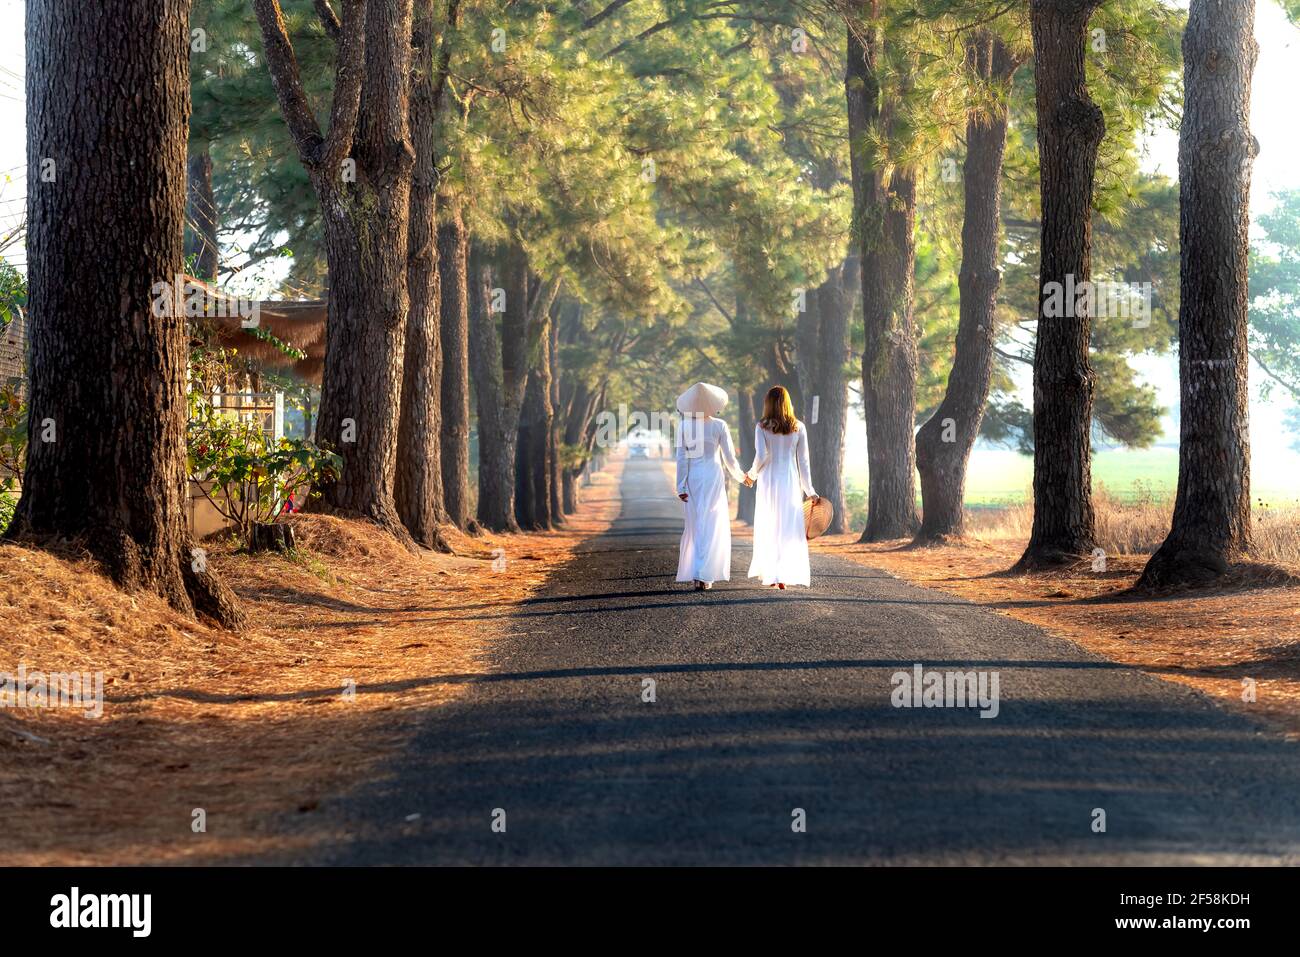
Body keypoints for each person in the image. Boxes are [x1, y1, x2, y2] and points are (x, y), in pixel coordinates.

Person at [744, 385, 819, 589]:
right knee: (787, 526)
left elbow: (761, 456)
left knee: (770, 524)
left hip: (768, 480)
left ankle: (773, 573)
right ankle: (783, 573)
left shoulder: (762, 427)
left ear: (768, 403)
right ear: (788, 403)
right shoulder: (798, 427)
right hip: (789, 480)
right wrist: (810, 491)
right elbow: (803, 462)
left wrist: (751, 475)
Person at [675, 382, 746, 591]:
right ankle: (705, 575)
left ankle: (697, 574)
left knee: (696, 524)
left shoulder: (684, 426)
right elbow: (729, 459)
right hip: (714, 477)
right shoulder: (719, 425)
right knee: (711, 524)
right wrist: (742, 478)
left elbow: (681, 458)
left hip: (694, 478)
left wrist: (680, 486)